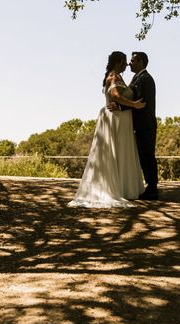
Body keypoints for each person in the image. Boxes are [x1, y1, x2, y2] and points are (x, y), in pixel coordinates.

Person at [68, 51, 146, 208]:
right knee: (113, 151)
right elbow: (115, 96)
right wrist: (134, 105)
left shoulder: (118, 76)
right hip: (114, 119)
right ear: (118, 63)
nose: (127, 64)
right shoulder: (113, 76)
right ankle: (112, 189)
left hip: (122, 119)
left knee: (121, 152)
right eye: (125, 62)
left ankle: (122, 187)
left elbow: (123, 93)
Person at [127, 52, 159, 200]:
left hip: (146, 125)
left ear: (141, 62)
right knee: (143, 156)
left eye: (132, 60)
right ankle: (149, 187)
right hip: (140, 125)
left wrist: (121, 108)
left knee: (148, 156)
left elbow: (141, 102)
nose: (129, 63)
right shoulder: (137, 78)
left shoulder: (146, 79)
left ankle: (152, 188)